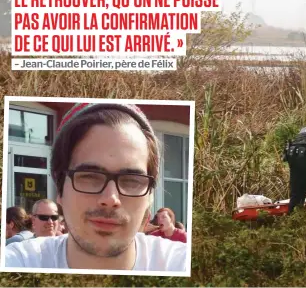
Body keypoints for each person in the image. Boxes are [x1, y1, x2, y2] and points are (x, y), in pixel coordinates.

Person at [5, 103, 187, 272]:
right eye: (90, 177)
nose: (110, 199)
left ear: (150, 195)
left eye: (132, 180)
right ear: (60, 189)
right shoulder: (18, 262)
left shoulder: (181, 263)